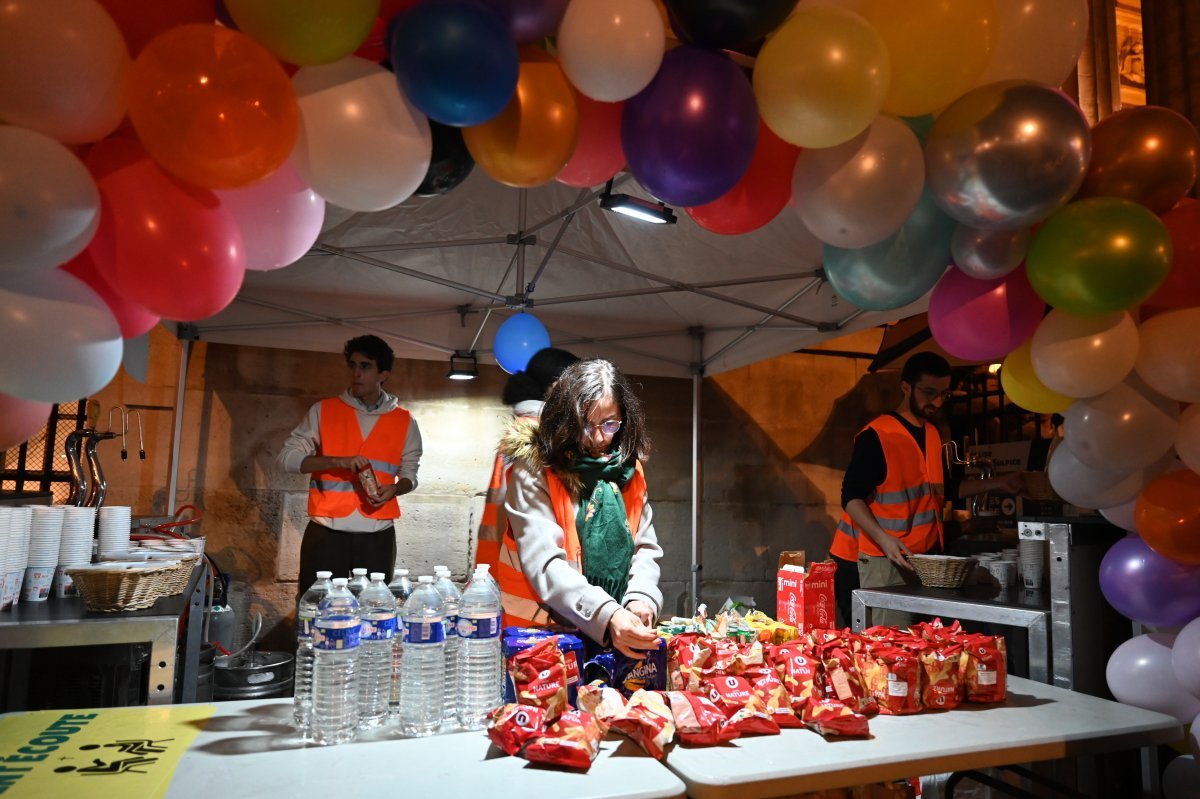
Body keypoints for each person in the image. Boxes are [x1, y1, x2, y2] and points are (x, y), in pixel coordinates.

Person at [829, 352, 1029, 629]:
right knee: (887, 641)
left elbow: (942, 490)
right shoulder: (877, 435)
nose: (936, 401)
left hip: (916, 558)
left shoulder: (933, 433)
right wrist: (884, 540)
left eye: (943, 394)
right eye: (928, 392)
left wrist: (998, 483)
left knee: (912, 638)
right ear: (906, 387)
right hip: (877, 555)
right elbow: (850, 497)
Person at [502, 358, 662, 658]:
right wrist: (608, 614)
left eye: (610, 424)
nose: (600, 437)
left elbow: (645, 549)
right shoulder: (534, 468)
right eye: (586, 425)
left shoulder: (628, 470)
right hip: (541, 635)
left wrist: (640, 600)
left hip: (610, 629)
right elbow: (546, 564)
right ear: (565, 420)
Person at [278, 335, 422, 597]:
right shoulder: (323, 410)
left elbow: (411, 473)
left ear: (383, 373)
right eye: (352, 365)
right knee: (316, 615)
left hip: (377, 537)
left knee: (372, 619)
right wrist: (335, 461)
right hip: (326, 535)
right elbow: (285, 459)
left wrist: (396, 489)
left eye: (365, 366)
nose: (356, 373)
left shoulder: (405, 420)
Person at [475, 347, 580, 628]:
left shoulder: (523, 431)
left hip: (516, 582)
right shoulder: (536, 438)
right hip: (535, 594)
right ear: (557, 387)